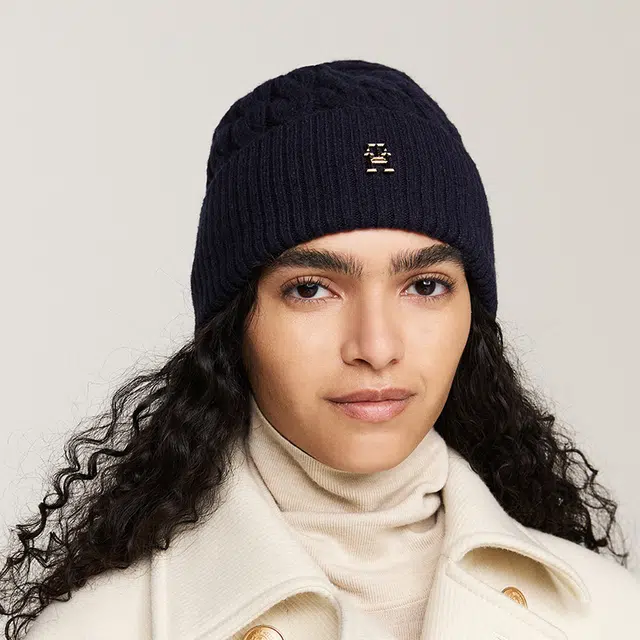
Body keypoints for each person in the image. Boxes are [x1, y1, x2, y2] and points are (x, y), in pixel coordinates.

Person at [1, 59, 638, 640]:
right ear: (233, 324)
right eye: (311, 289)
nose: (376, 347)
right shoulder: (97, 629)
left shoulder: (614, 615)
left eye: (425, 286)